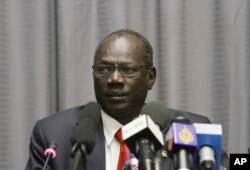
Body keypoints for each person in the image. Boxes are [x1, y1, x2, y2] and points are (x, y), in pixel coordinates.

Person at [25, 29, 229, 170]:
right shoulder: (52, 134)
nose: (114, 79)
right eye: (104, 69)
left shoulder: (191, 129)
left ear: (150, 77)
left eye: (128, 70)